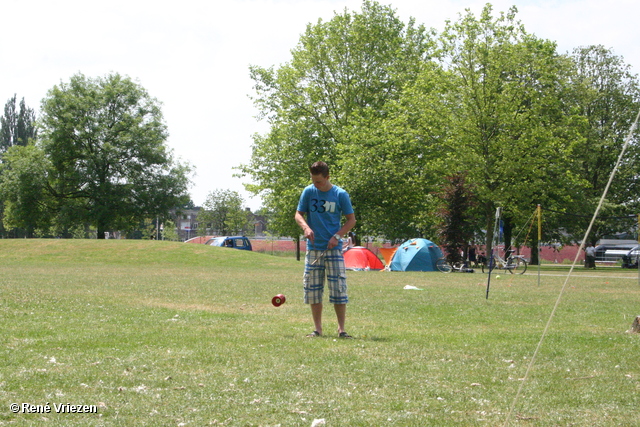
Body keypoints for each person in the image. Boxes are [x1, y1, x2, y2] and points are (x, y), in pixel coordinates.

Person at [295, 161, 356, 339]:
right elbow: (298, 214)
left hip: (333, 249)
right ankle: (318, 329)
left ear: (328, 177)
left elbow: (351, 220)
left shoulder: (340, 194)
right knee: (313, 290)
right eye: (313, 181)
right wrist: (306, 228)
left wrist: (337, 236)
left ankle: (341, 330)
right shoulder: (308, 192)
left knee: (338, 289)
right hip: (314, 248)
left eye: (319, 182)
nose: (316, 185)